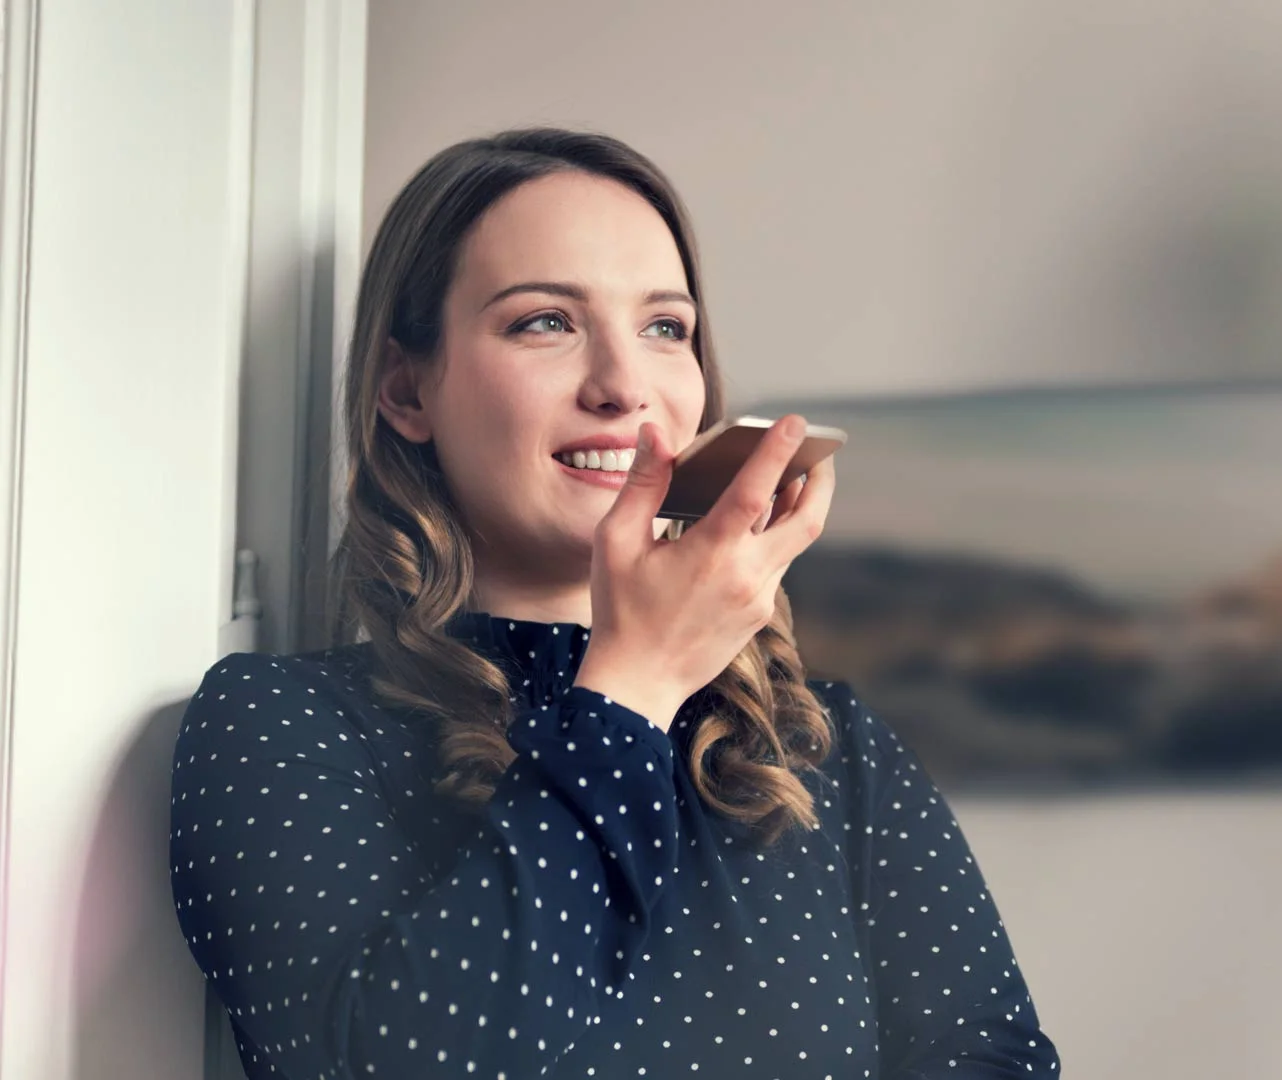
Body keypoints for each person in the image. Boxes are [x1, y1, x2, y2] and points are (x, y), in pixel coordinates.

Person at [168, 127, 1060, 1079]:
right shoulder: (277, 726)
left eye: (665, 329)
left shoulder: (829, 752)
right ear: (405, 389)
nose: (624, 385)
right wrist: (633, 683)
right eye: (545, 322)